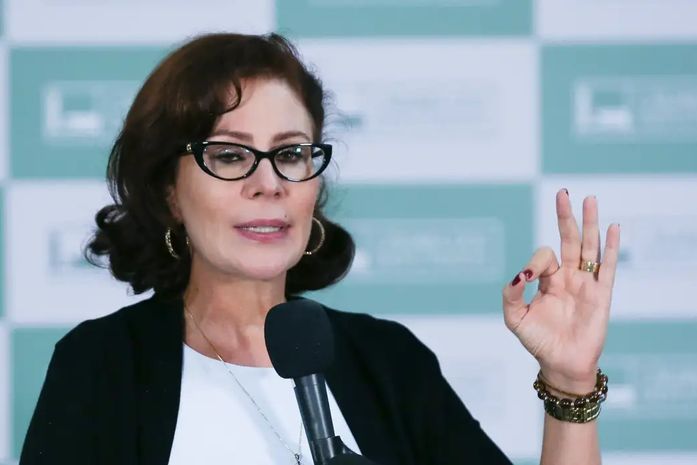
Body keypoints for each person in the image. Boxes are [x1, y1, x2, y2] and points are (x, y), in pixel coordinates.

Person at [19, 32, 620, 465]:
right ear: (169, 192)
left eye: (290, 153)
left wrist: (569, 383)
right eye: (228, 155)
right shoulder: (102, 366)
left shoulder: (387, 361)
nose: (269, 182)